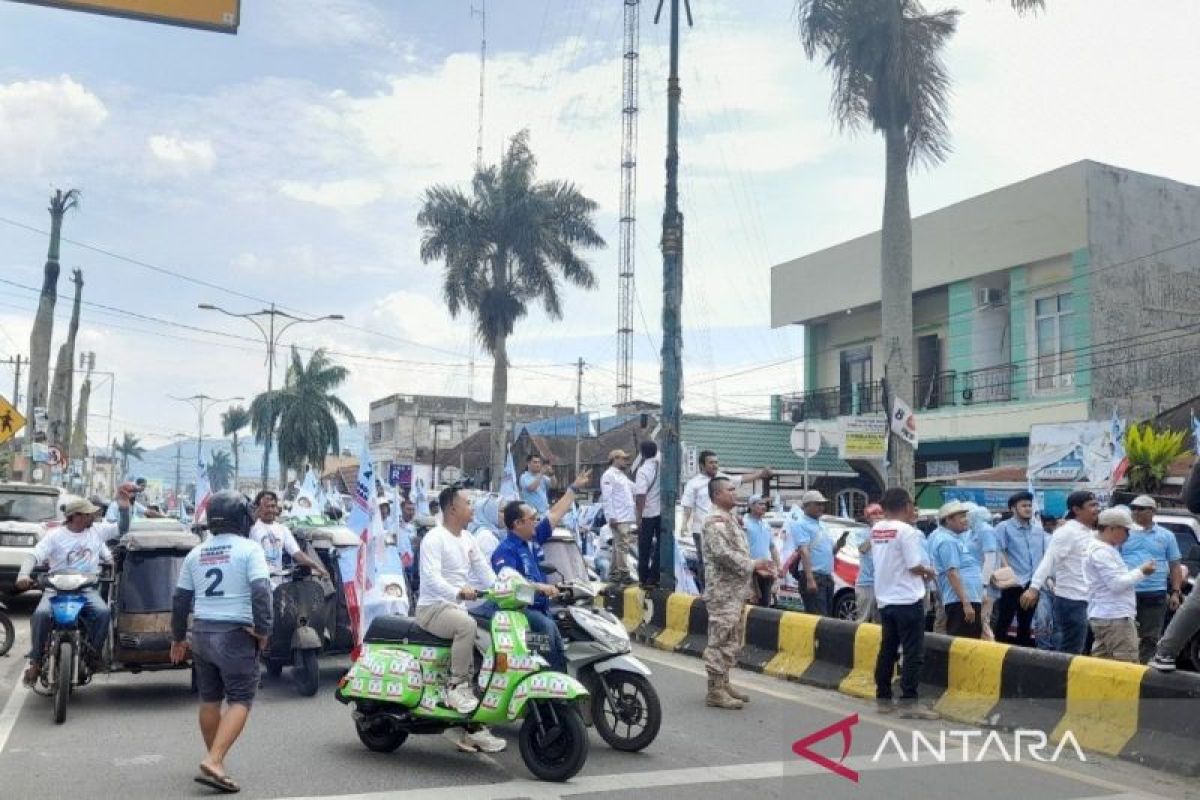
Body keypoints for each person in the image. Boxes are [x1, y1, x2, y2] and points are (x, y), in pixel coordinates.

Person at [169, 490, 273, 794]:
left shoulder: (196, 552)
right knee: (241, 698)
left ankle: (215, 760)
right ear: (241, 517)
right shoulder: (250, 549)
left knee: (210, 699)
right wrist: (264, 631)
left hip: (200, 634)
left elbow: (179, 601)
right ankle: (214, 759)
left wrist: (178, 638)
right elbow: (261, 593)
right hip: (236, 635)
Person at [415, 486, 505, 753]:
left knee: (488, 650)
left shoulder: (468, 538)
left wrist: (509, 588)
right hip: (432, 609)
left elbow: (487, 573)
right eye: (468, 503)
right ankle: (456, 687)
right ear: (452, 508)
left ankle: (473, 728)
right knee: (467, 625)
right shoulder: (435, 538)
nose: (472, 507)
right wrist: (457, 591)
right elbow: (430, 578)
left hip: (455, 609)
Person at [493, 469, 592, 673]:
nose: (537, 522)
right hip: (521, 613)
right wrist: (539, 588)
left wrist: (573, 488)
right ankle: (554, 689)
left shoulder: (533, 540)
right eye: (533, 518)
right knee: (548, 631)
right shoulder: (504, 552)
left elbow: (555, 514)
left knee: (564, 630)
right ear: (518, 524)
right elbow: (512, 587)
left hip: (542, 607)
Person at [16, 497, 116, 686]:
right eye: (88, 514)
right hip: (56, 589)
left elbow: (123, 527)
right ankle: (36, 661)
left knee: (103, 613)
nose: (93, 517)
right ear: (76, 517)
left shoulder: (96, 531)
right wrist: (23, 575)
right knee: (41, 614)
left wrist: (124, 504)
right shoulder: (54, 535)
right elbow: (34, 555)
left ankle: (94, 654)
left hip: (85, 589)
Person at [701, 477, 773, 710]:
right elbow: (723, 554)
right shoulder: (715, 521)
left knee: (733, 637)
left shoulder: (730, 518)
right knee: (720, 638)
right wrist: (753, 565)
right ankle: (715, 689)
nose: (735, 493)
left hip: (735, 591)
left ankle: (724, 682)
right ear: (716, 495)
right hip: (722, 592)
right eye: (729, 490)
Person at [871, 488, 939, 719]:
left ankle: (883, 697)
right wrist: (929, 571)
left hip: (885, 598)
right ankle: (909, 702)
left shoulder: (878, 528)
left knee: (887, 649)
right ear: (906, 505)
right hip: (907, 599)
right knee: (912, 653)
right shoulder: (906, 531)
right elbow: (913, 565)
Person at [1021, 491, 1100, 655]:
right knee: (1072, 649)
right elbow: (1049, 559)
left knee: (1082, 648)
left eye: (1097, 505)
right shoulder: (1067, 532)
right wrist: (1034, 588)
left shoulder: (1091, 533)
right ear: (1077, 509)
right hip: (1071, 599)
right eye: (1092, 505)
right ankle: (1060, 679)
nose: (1096, 509)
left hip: (1088, 599)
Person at [682, 451, 772, 592]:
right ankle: (707, 592)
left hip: (725, 528)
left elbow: (741, 478)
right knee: (706, 562)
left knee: (728, 560)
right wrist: (684, 524)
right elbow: (687, 506)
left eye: (716, 462)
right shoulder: (694, 484)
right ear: (702, 465)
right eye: (711, 462)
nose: (715, 465)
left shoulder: (723, 479)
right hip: (703, 529)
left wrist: (760, 474)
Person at [1085, 507, 1156, 663]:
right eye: (1126, 530)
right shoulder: (1101, 552)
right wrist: (1142, 571)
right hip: (1115, 618)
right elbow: (1116, 584)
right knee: (1127, 666)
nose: (1128, 535)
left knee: (1101, 666)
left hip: (1106, 615)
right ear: (1111, 529)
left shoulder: (1103, 549)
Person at [1121, 495, 1183, 663]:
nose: (1135, 511)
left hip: (1155, 593)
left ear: (1153, 511)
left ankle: (1143, 672)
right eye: (1133, 508)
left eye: (1141, 508)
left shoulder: (1166, 536)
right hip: (1126, 592)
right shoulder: (1123, 533)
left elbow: (1175, 565)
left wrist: (1176, 592)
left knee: (1150, 637)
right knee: (1124, 635)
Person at [993, 491, 1047, 647]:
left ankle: (1022, 659)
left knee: (1026, 623)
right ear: (1013, 509)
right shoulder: (1003, 528)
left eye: (1029, 505)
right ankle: (997, 654)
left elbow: (1043, 554)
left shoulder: (1038, 529)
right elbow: (999, 551)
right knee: (1004, 620)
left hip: (1032, 583)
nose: (1028, 508)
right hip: (1012, 583)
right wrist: (1009, 573)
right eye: (1023, 505)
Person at [248, 490, 328, 586]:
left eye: (273, 506)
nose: (270, 510)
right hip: (259, 584)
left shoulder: (283, 529)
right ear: (259, 508)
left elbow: (296, 553)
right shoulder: (251, 528)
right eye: (266, 506)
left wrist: (317, 567)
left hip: (278, 585)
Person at [927, 502, 983, 639]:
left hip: (965, 598)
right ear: (948, 520)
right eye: (961, 517)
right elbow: (952, 573)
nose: (966, 520)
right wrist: (966, 603)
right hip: (960, 601)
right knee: (964, 642)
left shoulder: (953, 539)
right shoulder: (947, 541)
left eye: (966, 516)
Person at [786, 490, 835, 617]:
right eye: (817, 504)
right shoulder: (800, 524)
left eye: (822, 504)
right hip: (814, 575)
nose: (821, 507)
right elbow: (804, 551)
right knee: (818, 617)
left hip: (826, 576)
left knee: (827, 616)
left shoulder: (823, 525)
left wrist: (838, 546)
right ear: (807, 505)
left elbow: (829, 551)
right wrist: (810, 579)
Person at [600, 449, 637, 584]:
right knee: (622, 545)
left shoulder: (621, 476)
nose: (625, 462)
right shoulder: (608, 475)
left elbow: (635, 488)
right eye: (623, 459)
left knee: (618, 545)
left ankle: (615, 573)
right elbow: (607, 498)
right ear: (615, 459)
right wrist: (611, 516)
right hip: (618, 516)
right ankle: (623, 573)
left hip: (626, 516)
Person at [633, 440, 662, 588]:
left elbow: (641, 495)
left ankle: (643, 578)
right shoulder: (662, 464)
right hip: (662, 512)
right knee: (660, 547)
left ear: (642, 454)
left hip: (648, 513)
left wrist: (638, 517)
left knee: (644, 547)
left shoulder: (643, 470)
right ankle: (654, 576)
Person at [743, 495, 780, 608]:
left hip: (766, 570)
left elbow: (772, 547)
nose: (764, 507)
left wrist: (778, 566)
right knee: (750, 603)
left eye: (765, 504)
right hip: (750, 570)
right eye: (760, 504)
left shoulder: (766, 524)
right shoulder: (744, 523)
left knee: (765, 604)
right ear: (751, 506)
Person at [852, 503, 884, 623]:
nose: (878, 517)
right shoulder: (862, 533)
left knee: (880, 621)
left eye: (880, 514)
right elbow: (863, 549)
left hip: (881, 583)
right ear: (868, 518)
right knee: (863, 619)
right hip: (866, 582)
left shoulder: (887, 532)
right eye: (874, 514)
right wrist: (875, 532)